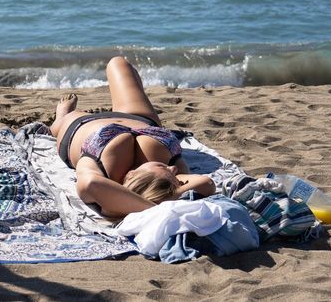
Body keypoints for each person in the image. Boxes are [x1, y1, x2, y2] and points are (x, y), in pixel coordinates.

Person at [50, 56, 213, 218]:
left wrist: (150, 210)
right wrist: (160, 203)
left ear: (131, 175)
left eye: (164, 168)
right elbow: (206, 183)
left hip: (80, 123)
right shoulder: (170, 180)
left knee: (61, 124)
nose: (173, 169)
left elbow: (90, 184)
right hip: (139, 119)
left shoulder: (101, 170)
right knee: (118, 62)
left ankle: (61, 116)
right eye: (174, 176)